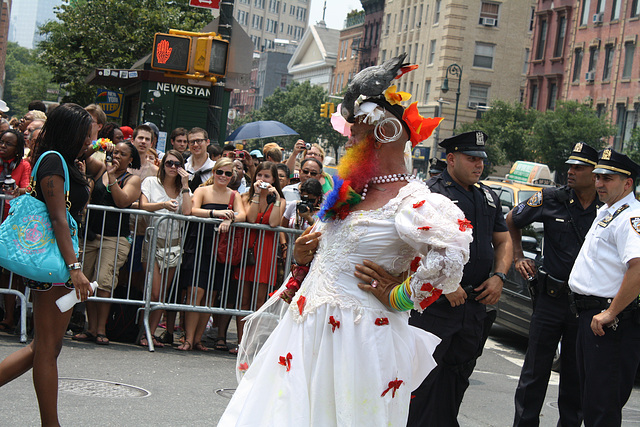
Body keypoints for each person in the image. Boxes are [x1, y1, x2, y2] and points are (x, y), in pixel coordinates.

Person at [218, 55, 470, 426]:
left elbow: (450, 259)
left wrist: (399, 295)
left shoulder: (415, 201)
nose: (350, 138)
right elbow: (330, 257)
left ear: (385, 133)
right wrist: (304, 257)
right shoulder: (348, 195)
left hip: (358, 339)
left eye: (357, 130)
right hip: (305, 331)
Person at [406, 131, 512, 427]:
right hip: (437, 306)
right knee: (423, 380)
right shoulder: (431, 193)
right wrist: (444, 284)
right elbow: (415, 246)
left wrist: (499, 277)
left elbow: (503, 241)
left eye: (481, 160)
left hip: (473, 305)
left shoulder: (487, 197)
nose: (479, 165)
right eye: (472, 159)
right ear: (451, 159)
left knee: (457, 377)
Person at [0, 103, 94, 426]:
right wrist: (75, 267)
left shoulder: (67, 162)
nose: (90, 141)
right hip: (55, 264)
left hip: (59, 263)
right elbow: (57, 218)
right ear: (71, 133)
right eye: (86, 135)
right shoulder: (53, 161)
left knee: (45, 348)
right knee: (46, 350)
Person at [509, 143, 600, 427]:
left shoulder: (606, 207)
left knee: (575, 376)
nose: (571, 172)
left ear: (595, 173)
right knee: (535, 372)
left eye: (579, 168)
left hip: (584, 304)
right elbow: (512, 219)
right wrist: (517, 256)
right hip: (550, 299)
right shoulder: (550, 198)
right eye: (570, 166)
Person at [567, 148, 640, 426]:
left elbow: (638, 267)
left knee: (602, 407)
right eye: (597, 176)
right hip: (590, 317)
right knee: (591, 402)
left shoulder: (631, 217)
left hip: (610, 322)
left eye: (608, 178)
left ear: (627, 183)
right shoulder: (609, 210)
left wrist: (611, 312)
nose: (599, 183)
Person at [72, 141, 142, 345]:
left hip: (114, 239)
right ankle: (90, 327)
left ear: (131, 159)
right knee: (89, 282)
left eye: (123, 154)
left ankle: (102, 329)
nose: (117, 156)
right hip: (93, 236)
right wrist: (99, 145)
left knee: (104, 282)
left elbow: (122, 201)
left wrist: (112, 177)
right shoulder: (101, 169)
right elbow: (82, 157)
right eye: (116, 152)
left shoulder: (133, 179)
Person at [179, 158, 246, 351]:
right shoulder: (202, 190)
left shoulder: (234, 195)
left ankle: (198, 339)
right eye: (220, 172)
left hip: (220, 249)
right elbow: (192, 210)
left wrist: (230, 218)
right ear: (214, 172)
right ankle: (188, 339)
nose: (223, 176)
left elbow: (242, 215)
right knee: (195, 292)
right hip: (199, 244)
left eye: (227, 173)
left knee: (210, 295)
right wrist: (217, 214)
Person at [138, 150, 192, 347]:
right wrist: (163, 204)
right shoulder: (151, 182)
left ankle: (150, 334)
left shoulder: (183, 188)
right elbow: (143, 205)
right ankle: (144, 332)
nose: (172, 167)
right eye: (169, 163)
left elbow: (187, 211)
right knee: (153, 292)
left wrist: (185, 185)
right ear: (162, 164)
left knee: (162, 294)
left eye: (177, 164)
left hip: (174, 242)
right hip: (153, 239)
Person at [233, 161, 286, 348]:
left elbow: (273, 223)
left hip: (267, 251)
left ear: (273, 180)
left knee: (258, 300)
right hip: (249, 249)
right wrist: (256, 194)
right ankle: (241, 342)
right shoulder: (246, 196)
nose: (262, 180)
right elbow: (251, 217)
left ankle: (251, 344)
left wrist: (276, 198)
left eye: (267, 177)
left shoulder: (280, 200)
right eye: (260, 175)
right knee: (244, 299)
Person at [0, 130, 32, 333]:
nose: (3, 146)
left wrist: (17, 190)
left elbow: (28, 188)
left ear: (17, 148)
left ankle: (11, 316)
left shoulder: (24, 165)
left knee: (9, 273)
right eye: (1, 142)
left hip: (11, 224)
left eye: (8, 144)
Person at [185, 127, 215, 193]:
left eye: (199, 141)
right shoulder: (183, 168)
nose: (195, 145)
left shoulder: (216, 169)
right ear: (188, 144)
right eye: (192, 142)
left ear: (207, 142)